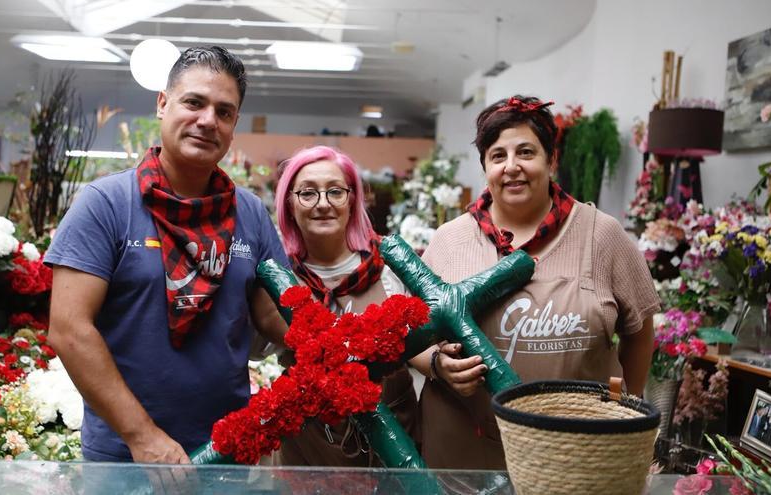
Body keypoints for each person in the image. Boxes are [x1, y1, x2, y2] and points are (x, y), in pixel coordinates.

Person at [45, 46, 288, 463]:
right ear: (163, 104)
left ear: (233, 125)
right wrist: (142, 436)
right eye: (194, 102)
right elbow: (69, 330)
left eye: (224, 112)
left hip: (225, 450)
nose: (207, 120)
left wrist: (352, 351)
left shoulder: (248, 213)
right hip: (127, 456)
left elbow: (275, 316)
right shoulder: (107, 204)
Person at [409, 95, 659, 470]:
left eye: (526, 152)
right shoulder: (449, 240)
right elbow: (407, 332)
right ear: (485, 168)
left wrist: (626, 410)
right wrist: (436, 364)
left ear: (551, 159)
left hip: (576, 453)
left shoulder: (601, 235)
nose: (512, 167)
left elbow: (639, 330)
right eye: (497, 156)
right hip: (464, 452)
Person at [272, 145, 417, 466]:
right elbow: (253, 350)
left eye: (335, 191)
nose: (323, 204)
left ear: (352, 200)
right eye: (307, 193)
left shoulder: (390, 268)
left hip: (393, 442)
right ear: (289, 204)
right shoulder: (277, 280)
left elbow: (419, 344)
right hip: (309, 449)